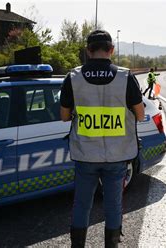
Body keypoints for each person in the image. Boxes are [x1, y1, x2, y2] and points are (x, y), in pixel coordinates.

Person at [60, 30, 145, 248]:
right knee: (113, 205)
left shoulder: (73, 77)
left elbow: (64, 117)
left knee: (82, 204)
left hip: (85, 153)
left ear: (88, 51)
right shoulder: (126, 77)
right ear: (112, 50)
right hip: (118, 155)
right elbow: (141, 115)